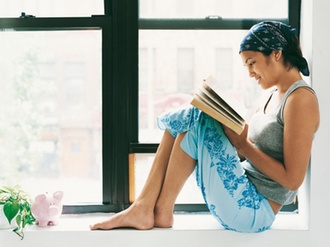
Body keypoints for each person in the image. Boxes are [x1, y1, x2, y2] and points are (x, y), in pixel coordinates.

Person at [90, 21, 320, 233]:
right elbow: (246, 151)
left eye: (252, 63)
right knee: (194, 119)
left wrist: (243, 144)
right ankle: (154, 209)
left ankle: (147, 208)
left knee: (196, 115)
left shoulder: (300, 99)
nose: (250, 73)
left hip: (253, 210)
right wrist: (231, 132)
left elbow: (292, 180)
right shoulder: (270, 96)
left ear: (276, 54)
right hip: (240, 189)